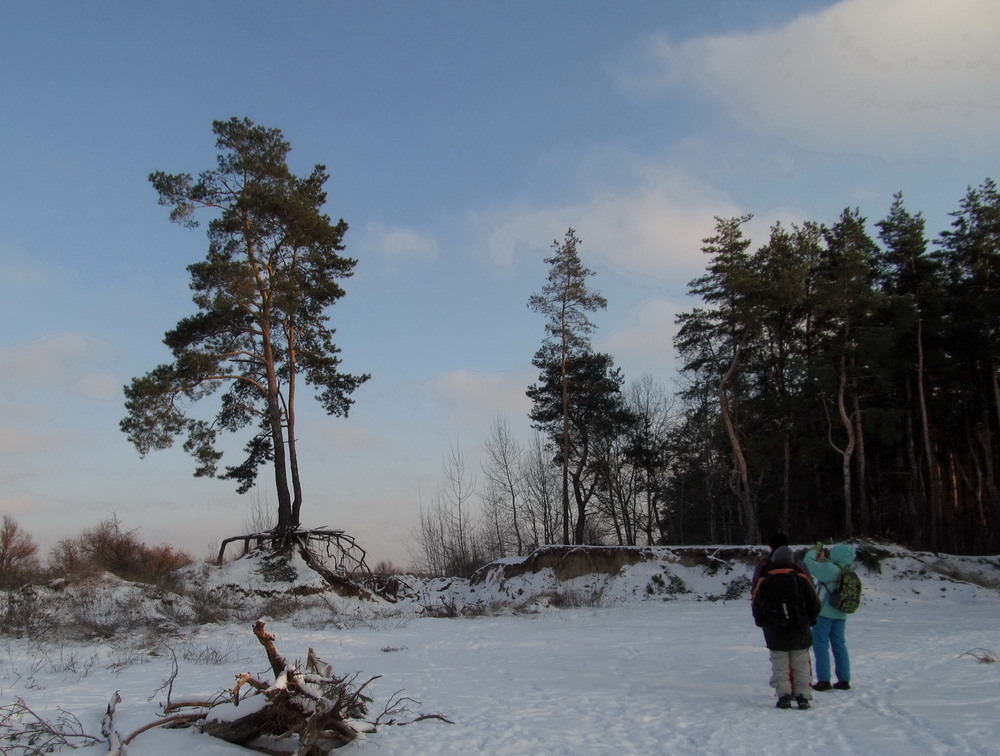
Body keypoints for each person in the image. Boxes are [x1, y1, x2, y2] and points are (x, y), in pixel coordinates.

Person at [751, 545, 822, 709]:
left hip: (774, 630)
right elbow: (814, 603)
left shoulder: (764, 579)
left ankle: (784, 695)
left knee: (779, 664)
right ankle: (803, 695)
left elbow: (756, 605)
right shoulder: (800, 578)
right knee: (801, 664)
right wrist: (809, 620)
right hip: (799, 628)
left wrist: (761, 622)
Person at [803, 542, 857, 691]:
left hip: (824, 613)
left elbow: (808, 563)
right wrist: (824, 560)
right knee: (839, 645)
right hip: (841, 613)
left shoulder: (830, 569)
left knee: (820, 645)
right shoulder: (846, 570)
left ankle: (824, 680)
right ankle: (844, 679)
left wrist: (814, 550)